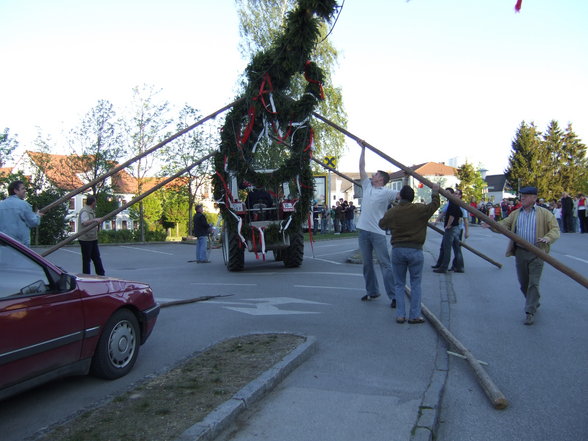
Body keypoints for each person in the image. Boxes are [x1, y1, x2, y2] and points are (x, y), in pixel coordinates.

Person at [482, 186, 559, 325]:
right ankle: (534, 301)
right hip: (521, 252)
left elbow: (555, 229)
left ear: (534, 198)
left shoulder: (544, 213)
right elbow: (503, 225)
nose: (522, 198)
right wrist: (492, 225)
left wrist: (548, 238)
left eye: (526, 196)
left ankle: (529, 311)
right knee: (524, 284)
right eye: (521, 195)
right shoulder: (516, 214)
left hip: (538, 252)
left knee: (533, 283)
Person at [379, 184, 440, 324]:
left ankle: (400, 315)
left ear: (400, 196)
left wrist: (391, 221)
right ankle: (414, 315)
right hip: (415, 249)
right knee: (416, 283)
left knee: (399, 284)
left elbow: (382, 224)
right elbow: (434, 205)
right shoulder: (419, 209)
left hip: (398, 249)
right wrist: (435, 192)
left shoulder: (394, 211)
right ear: (412, 198)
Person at [356, 140, 398, 307]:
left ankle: (394, 296)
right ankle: (372, 292)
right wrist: (363, 150)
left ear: (381, 179)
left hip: (378, 233)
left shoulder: (387, 192)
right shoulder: (367, 186)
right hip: (363, 231)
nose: (372, 176)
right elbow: (361, 168)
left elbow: (403, 196)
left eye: (376, 175)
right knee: (367, 264)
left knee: (385, 264)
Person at [432, 189, 469, 272]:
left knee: (448, 248)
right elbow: (443, 213)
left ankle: (444, 267)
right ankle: (459, 267)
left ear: (460, 196)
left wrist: (448, 225)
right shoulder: (451, 203)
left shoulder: (457, 204)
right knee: (454, 248)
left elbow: (454, 216)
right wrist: (437, 221)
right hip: (455, 228)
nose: (454, 195)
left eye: (456, 194)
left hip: (454, 228)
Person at [0, 180, 43, 247]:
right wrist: (38, 216)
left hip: (3, 244)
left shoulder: (1, 205)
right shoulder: (23, 205)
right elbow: (33, 222)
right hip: (20, 246)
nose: (25, 190)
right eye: (23, 188)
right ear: (15, 191)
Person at [77, 195, 105, 275]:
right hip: (85, 239)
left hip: (92, 238)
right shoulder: (85, 211)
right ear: (93, 202)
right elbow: (84, 222)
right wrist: (95, 220)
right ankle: (86, 275)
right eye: (95, 202)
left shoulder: (91, 211)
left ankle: (101, 274)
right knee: (87, 259)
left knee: (96, 258)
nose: (95, 203)